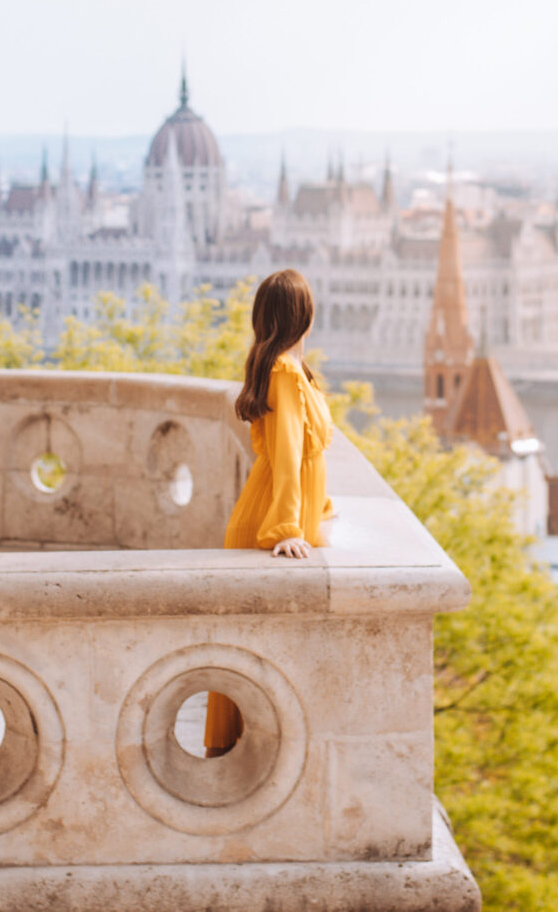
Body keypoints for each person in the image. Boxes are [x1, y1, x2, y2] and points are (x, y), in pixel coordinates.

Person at [203, 268, 334, 758]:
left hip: (284, 511)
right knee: (243, 651)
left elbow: (304, 455)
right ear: (303, 314)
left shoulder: (292, 369)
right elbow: (284, 451)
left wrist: (319, 509)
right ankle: (233, 757)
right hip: (266, 517)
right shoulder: (282, 371)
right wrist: (284, 528)